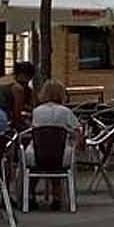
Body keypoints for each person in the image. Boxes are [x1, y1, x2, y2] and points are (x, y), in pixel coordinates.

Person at [26, 79, 81, 209]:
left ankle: (30, 194)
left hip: (38, 154)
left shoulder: (36, 112)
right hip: (59, 155)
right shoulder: (66, 112)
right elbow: (77, 131)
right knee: (59, 164)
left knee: (32, 167)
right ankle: (57, 197)